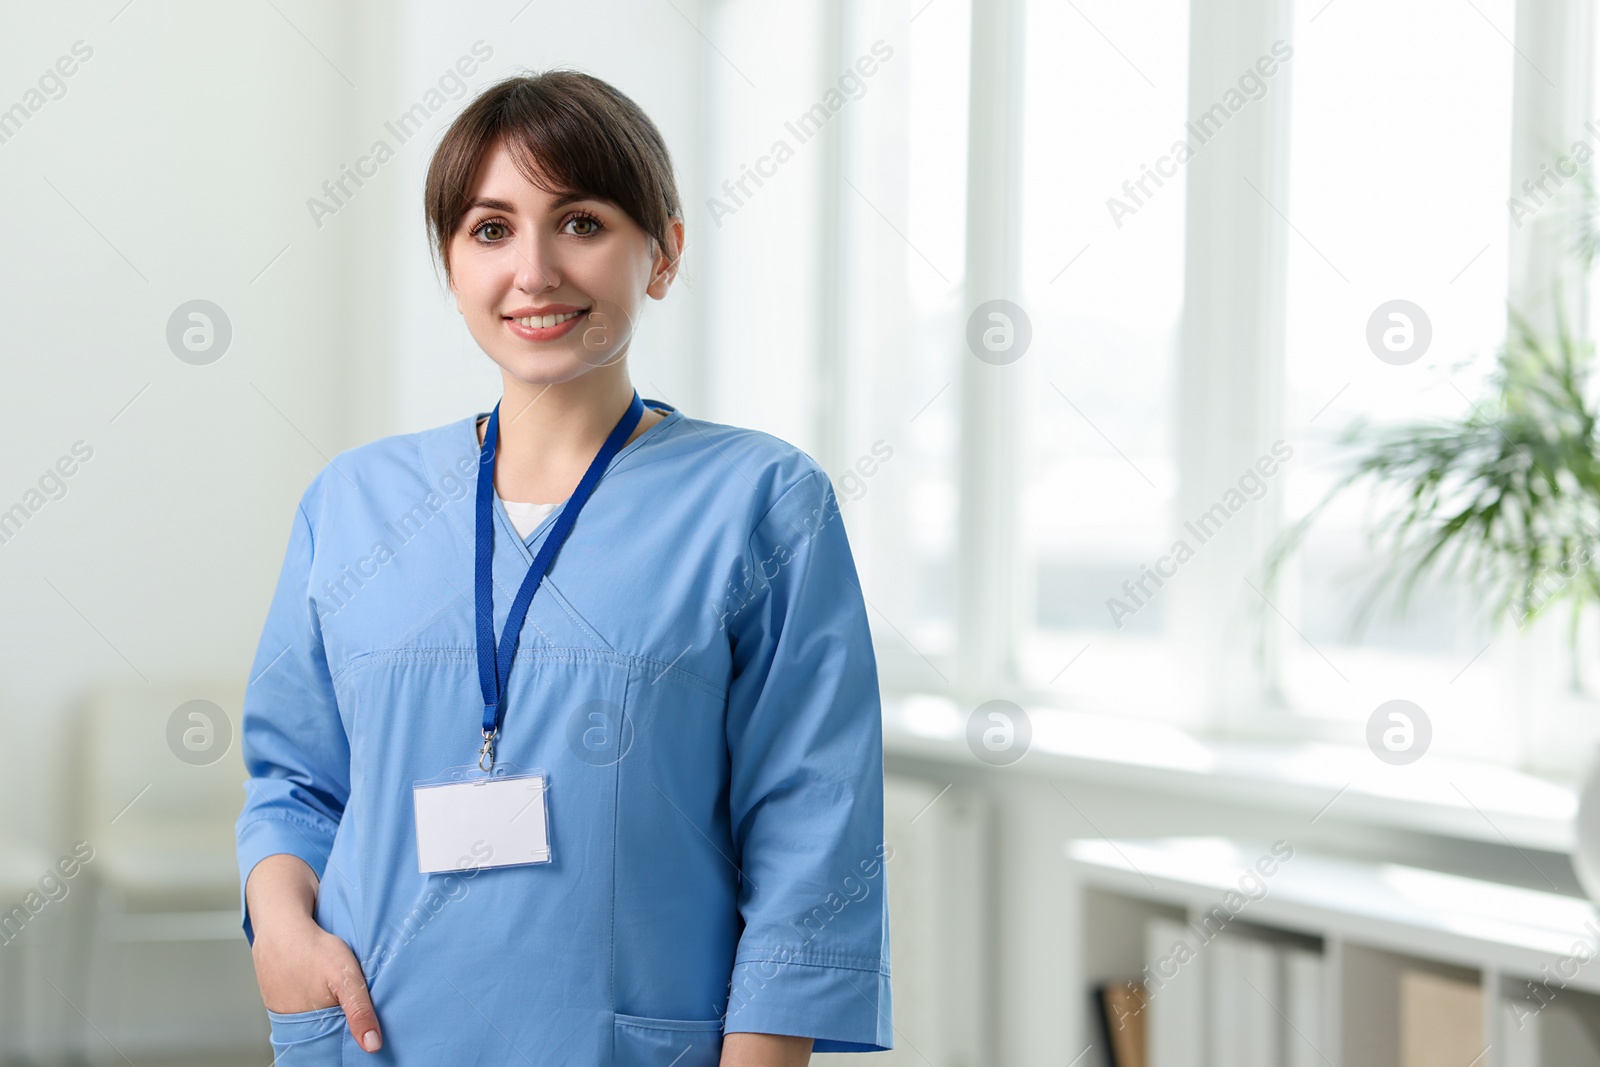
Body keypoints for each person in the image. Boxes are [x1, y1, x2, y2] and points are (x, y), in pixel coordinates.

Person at [233, 70, 892, 1065]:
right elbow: (293, 777)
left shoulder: (759, 499)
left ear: (663, 253)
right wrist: (281, 932)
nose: (533, 270)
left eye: (580, 222)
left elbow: (812, 820)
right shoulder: (353, 500)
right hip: (372, 1034)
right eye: (490, 229)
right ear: (451, 263)